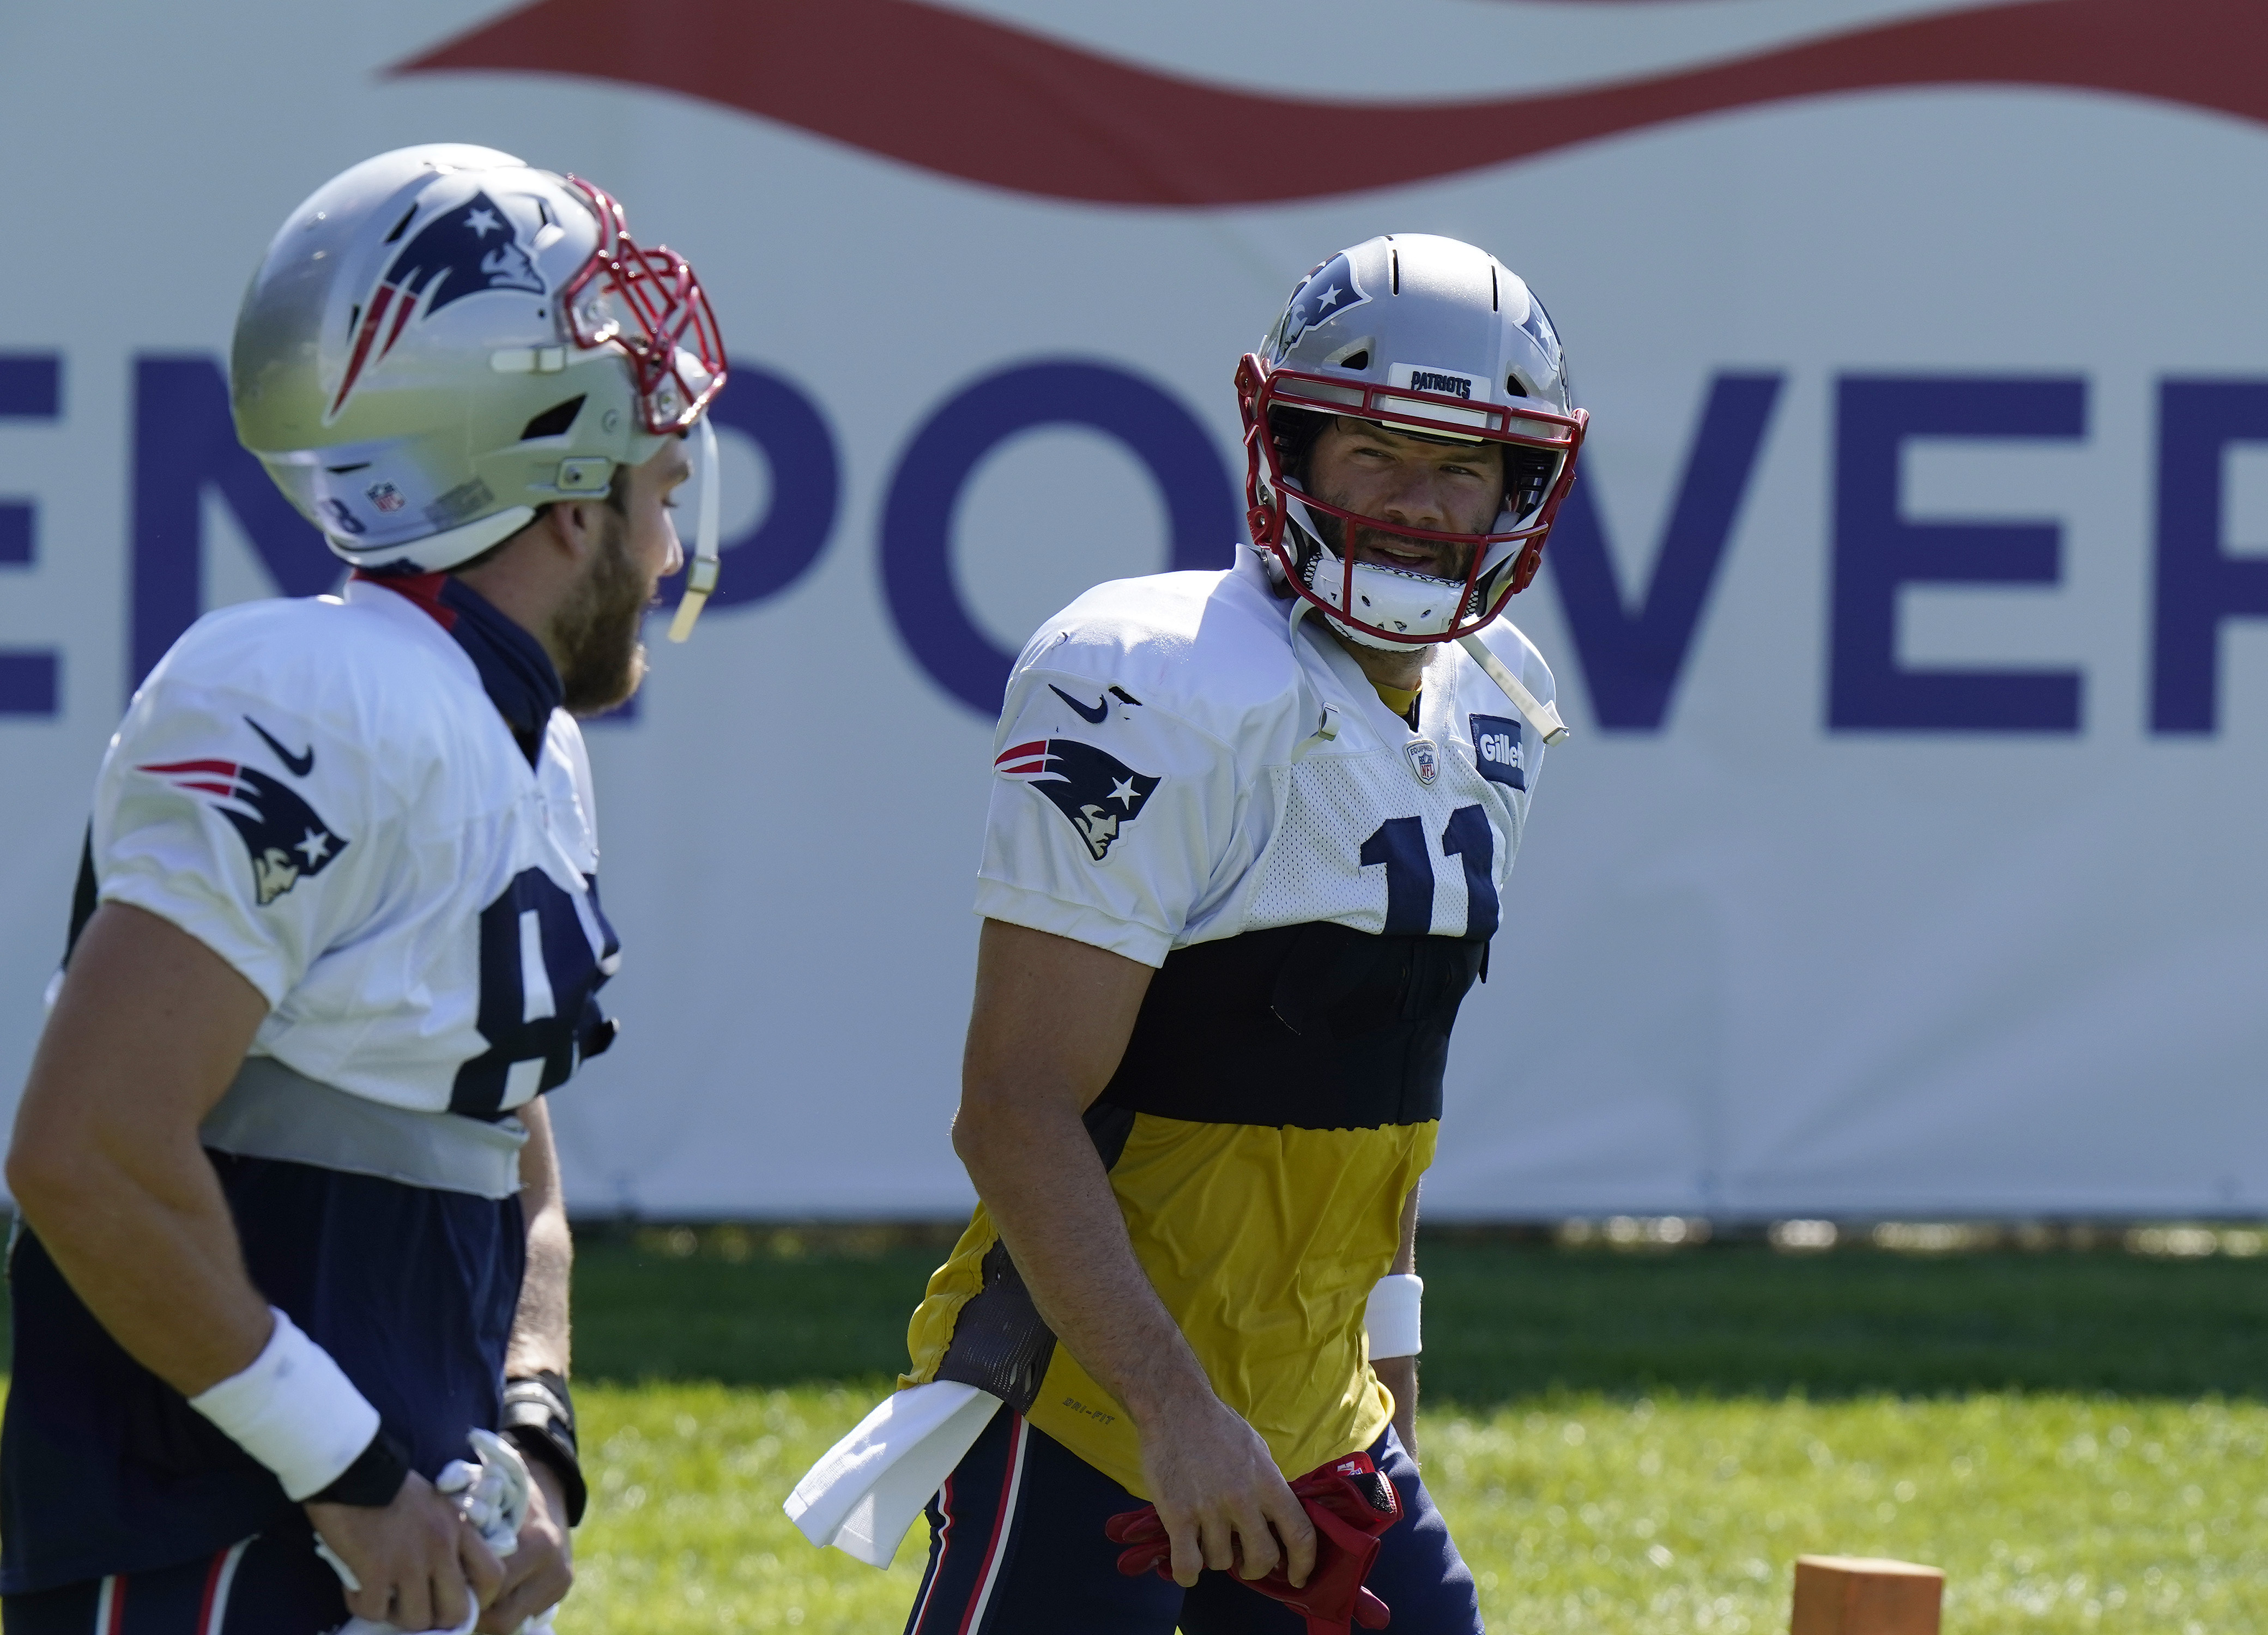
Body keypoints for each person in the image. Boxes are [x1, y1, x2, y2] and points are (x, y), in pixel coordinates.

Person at [1, 144, 728, 1634]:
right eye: (652, 488)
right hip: (214, 1542)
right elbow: (85, 1149)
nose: (669, 550)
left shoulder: (524, 742)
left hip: (397, 1531)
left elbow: (501, 1144)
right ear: (563, 490)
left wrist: (534, 1429)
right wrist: (340, 1469)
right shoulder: (312, 688)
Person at [895, 233, 1586, 1632]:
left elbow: (1372, 1113)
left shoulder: (1494, 704)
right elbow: (1016, 1109)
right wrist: (1176, 1415)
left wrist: (1387, 1391)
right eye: (1379, 453)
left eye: (1463, 467)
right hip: (1088, 1408)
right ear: (1296, 450)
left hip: (1318, 1422)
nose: (1418, 505)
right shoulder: (1156, 681)